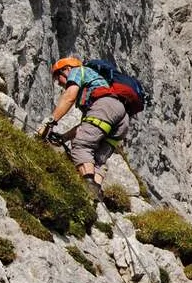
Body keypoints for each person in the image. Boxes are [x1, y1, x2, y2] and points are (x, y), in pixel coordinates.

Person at [37, 57, 130, 199]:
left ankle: (88, 188)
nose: (58, 83)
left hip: (105, 108)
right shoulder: (96, 85)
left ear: (66, 69)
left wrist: (50, 122)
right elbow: (86, 126)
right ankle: (96, 196)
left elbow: (69, 97)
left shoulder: (76, 71)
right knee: (98, 159)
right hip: (122, 118)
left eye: (58, 77)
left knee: (81, 146)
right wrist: (63, 137)